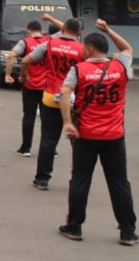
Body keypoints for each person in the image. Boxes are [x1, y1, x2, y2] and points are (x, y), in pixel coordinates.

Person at [58, 19, 137, 245]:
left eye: (85, 47)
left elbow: (64, 94)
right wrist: (109, 29)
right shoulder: (120, 66)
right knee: (120, 183)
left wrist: (67, 122)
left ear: (90, 49)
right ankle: (128, 231)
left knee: (80, 180)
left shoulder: (79, 69)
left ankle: (74, 227)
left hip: (86, 136)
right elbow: (127, 48)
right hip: (114, 136)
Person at [21, 14, 85, 190]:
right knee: (78, 142)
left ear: (62, 29)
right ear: (79, 32)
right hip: (72, 99)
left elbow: (26, 60)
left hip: (50, 97)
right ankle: (78, 180)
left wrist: (23, 75)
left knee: (48, 139)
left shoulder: (49, 44)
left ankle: (42, 179)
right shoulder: (82, 50)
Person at [4, 20, 49, 157]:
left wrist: (8, 74)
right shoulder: (49, 40)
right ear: (41, 30)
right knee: (47, 118)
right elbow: (64, 28)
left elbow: (12, 55)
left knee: (29, 117)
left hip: (30, 84)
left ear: (29, 31)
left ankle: (25, 148)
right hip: (47, 85)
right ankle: (50, 149)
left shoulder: (25, 42)